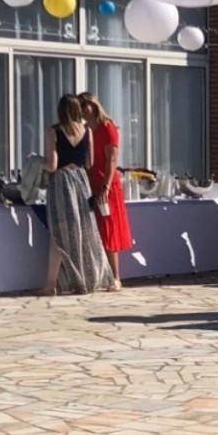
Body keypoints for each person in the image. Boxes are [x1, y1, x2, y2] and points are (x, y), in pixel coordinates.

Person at [41, 94, 114, 296]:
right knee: (85, 230)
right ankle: (93, 277)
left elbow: (52, 165)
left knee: (59, 232)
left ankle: (51, 284)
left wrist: (35, 161)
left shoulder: (53, 131)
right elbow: (89, 162)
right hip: (81, 182)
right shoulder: (87, 131)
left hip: (62, 182)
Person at [79, 92, 132, 285]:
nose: (84, 109)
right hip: (89, 181)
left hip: (106, 182)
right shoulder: (85, 129)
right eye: (81, 106)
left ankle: (115, 276)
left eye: (86, 105)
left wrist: (106, 186)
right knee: (93, 229)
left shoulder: (107, 127)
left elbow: (112, 159)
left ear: (94, 105)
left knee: (108, 228)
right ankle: (99, 274)